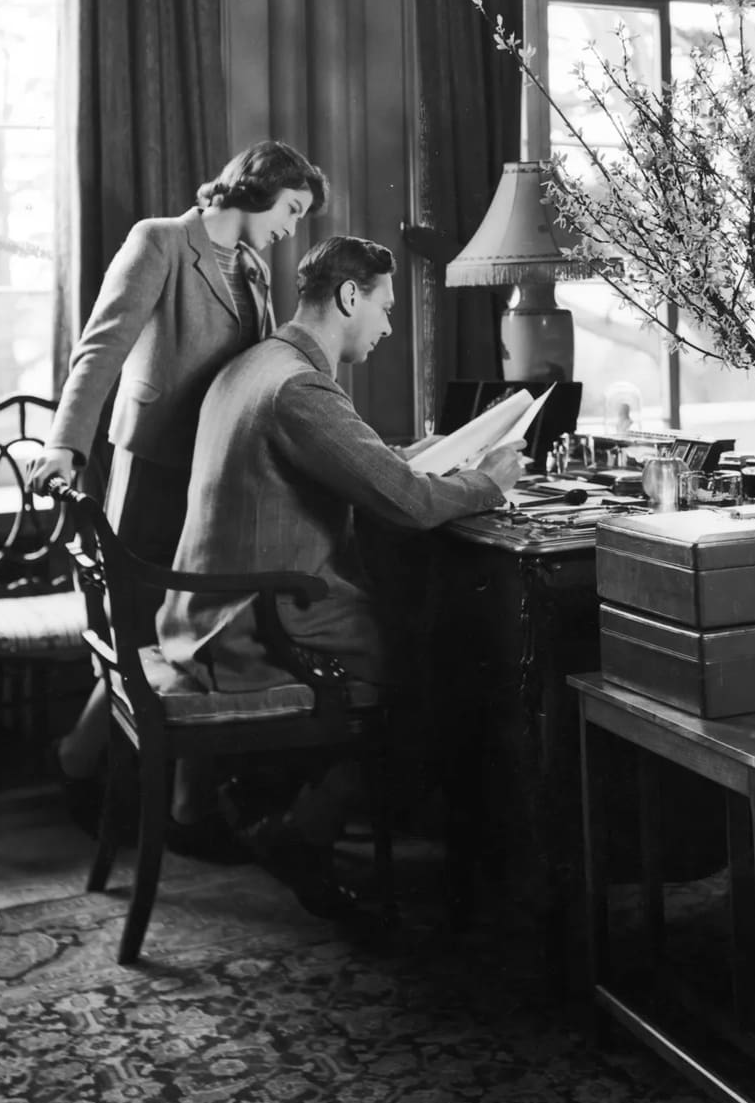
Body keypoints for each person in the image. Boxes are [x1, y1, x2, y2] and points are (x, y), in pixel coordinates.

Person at [156, 234, 527, 915]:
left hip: (209, 607)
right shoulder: (300, 387)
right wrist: (487, 483)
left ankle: (286, 803)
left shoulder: (261, 363)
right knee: (436, 670)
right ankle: (306, 831)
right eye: (385, 308)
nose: (388, 326)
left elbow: (350, 461)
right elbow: (408, 504)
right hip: (254, 621)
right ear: (350, 296)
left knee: (427, 640)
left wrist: (411, 455)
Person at [28, 140, 328, 832]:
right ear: (257, 188)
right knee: (141, 634)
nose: (292, 227)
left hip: (216, 475)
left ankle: (181, 805)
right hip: (152, 471)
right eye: (291, 208)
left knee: (198, 635)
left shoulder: (253, 268)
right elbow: (100, 348)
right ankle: (86, 765)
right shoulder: (160, 241)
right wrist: (65, 444)